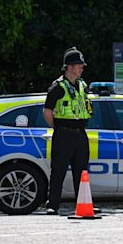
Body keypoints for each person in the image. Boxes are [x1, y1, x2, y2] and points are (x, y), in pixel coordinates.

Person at [43, 46, 92, 215]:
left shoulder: (82, 86)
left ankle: (83, 203)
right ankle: (53, 204)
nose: (81, 68)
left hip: (80, 133)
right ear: (69, 67)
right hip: (64, 132)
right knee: (59, 170)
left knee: (82, 171)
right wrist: (58, 129)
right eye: (79, 65)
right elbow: (47, 112)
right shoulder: (58, 87)